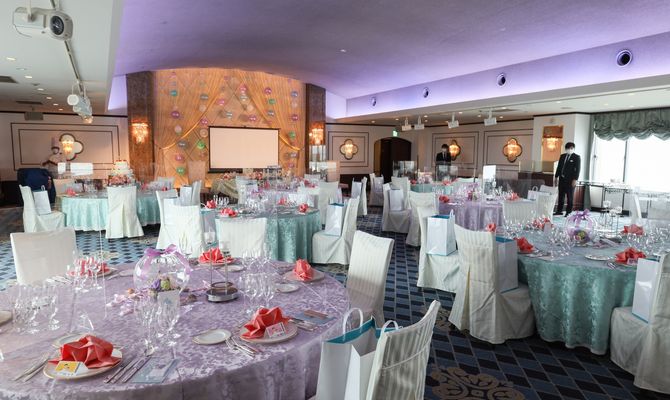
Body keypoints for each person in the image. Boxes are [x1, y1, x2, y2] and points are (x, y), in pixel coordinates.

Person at [554, 142, 580, 216]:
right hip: (562, 179)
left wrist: (575, 179)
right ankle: (559, 211)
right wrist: (556, 177)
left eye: (571, 148)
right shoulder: (562, 156)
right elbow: (559, 167)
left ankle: (569, 212)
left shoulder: (576, 157)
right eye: (568, 148)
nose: (569, 149)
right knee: (561, 196)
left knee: (569, 196)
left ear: (573, 148)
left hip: (570, 180)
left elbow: (578, 169)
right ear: (566, 149)